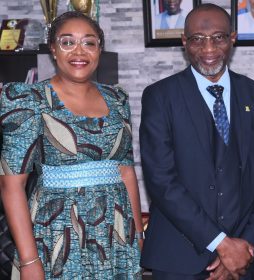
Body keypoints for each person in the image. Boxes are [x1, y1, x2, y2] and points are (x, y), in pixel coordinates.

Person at [140, 3, 254, 279]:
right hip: (179, 260)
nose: (208, 49)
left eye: (218, 37)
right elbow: (161, 181)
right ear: (184, 42)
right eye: (197, 39)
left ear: (233, 38)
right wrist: (221, 244)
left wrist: (244, 248)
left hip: (245, 259)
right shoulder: (160, 97)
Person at [0, 11, 143, 279]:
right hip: (57, 233)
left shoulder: (117, 99)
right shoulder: (28, 100)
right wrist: (30, 262)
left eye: (89, 42)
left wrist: (138, 235)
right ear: (53, 49)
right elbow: (11, 185)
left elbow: (126, 171)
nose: (79, 51)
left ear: (100, 49)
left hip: (116, 234)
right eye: (67, 42)